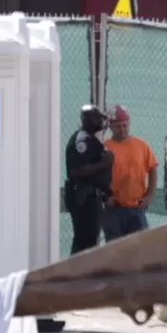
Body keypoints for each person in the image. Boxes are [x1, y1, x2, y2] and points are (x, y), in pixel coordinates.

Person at [102, 104, 158, 241]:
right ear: (111, 127)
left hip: (137, 208)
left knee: (140, 248)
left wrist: (150, 194)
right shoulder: (105, 148)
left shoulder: (142, 146)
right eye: (118, 126)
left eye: (125, 125)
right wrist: (105, 197)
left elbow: (153, 168)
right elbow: (98, 176)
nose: (122, 129)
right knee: (115, 250)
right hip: (114, 209)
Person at [65, 104, 113, 254]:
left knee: (90, 241)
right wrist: (103, 164)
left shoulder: (91, 139)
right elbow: (76, 171)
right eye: (97, 118)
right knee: (84, 242)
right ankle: (76, 275)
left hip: (92, 197)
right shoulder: (82, 140)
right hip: (83, 197)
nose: (100, 122)